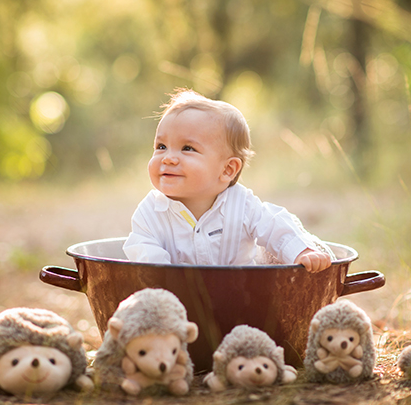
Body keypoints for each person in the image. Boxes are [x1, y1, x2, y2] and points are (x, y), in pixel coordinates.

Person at [122, 89, 333, 272]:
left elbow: (275, 224)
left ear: (227, 169)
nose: (168, 157)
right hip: (177, 301)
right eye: (161, 146)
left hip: (241, 297)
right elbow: (147, 262)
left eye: (187, 148)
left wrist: (301, 251)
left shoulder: (242, 205)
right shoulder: (150, 213)